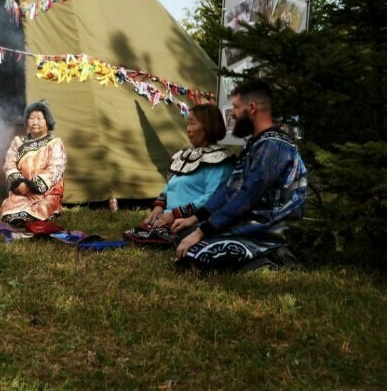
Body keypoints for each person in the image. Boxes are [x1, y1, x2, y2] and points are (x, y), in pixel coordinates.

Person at [173, 79, 308, 271]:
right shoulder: (255, 143)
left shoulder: (274, 146)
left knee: (196, 256)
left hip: (265, 232)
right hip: (244, 224)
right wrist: (195, 219)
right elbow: (230, 189)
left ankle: (275, 258)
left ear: (251, 108)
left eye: (236, 107)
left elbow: (247, 195)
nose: (233, 114)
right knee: (183, 234)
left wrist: (203, 231)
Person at [123, 104, 234, 246]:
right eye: (187, 123)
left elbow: (212, 197)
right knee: (136, 235)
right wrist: (159, 208)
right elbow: (170, 185)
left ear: (208, 125)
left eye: (192, 123)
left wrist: (176, 214)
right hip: (168, 217)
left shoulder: (220, 159)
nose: (188, 130)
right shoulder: (184, 155)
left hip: (194, 219)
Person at [0, 101, 67, 227]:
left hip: (45, 191)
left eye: (39, 118)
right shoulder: (18, 141)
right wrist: (19, 183)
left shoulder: (55, 143)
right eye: (31, 118)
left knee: (38, 210)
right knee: (9, 210)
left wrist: (31, 186)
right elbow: (9, 164)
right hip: (21, 190)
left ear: (48, 121)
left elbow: (55, 169)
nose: (35, 122)